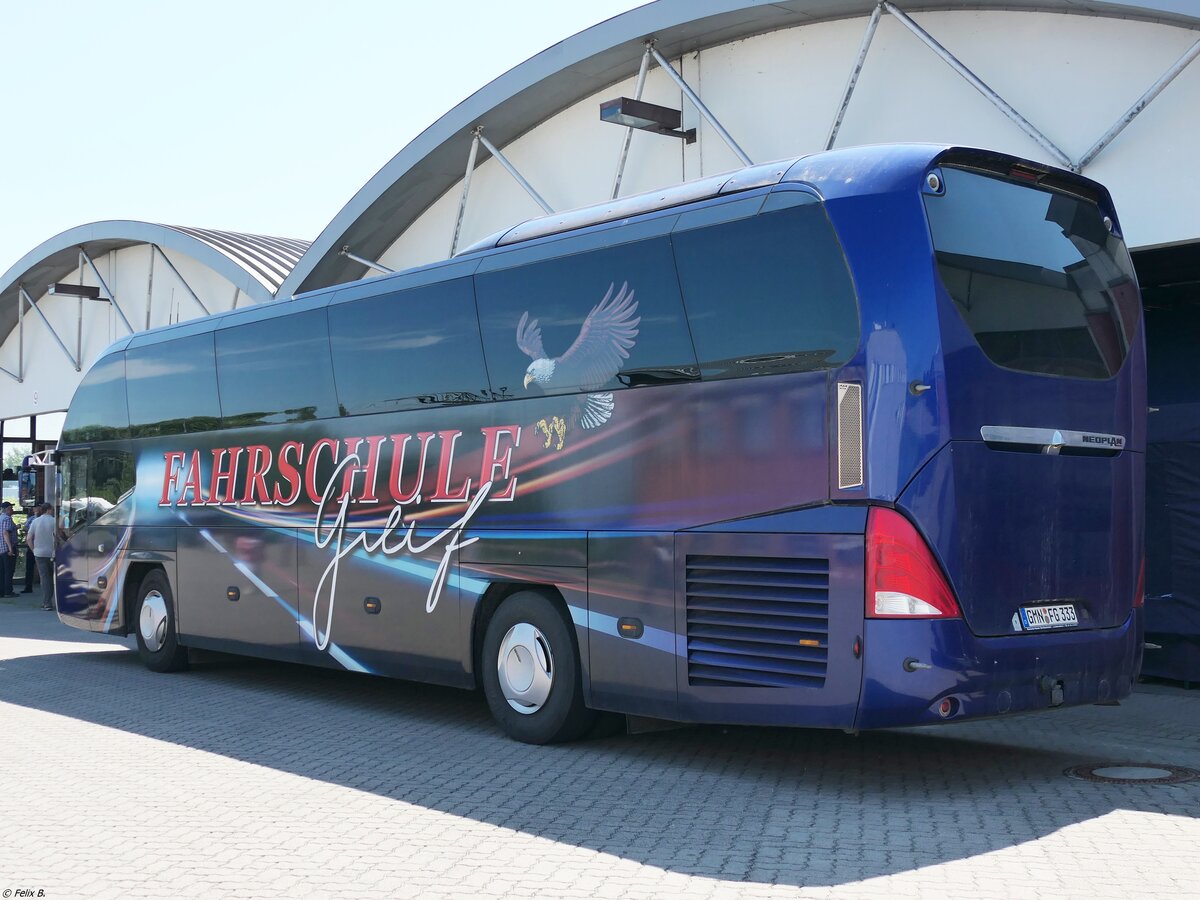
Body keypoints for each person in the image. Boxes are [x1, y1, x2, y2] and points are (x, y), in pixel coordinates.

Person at [25, 503, 56, 611]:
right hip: (53, 553)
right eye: (52, 509)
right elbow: (60, 536)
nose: (53, 511)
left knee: (44, 578)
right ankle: (52, 600)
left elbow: (29, 538)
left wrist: (34, 550)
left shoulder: (35, 521)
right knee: (53, 577)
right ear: (48, 510)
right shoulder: (54, 521)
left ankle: (47, 603)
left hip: (39, 553)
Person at [0, 501, 17, 598]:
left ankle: (1, 591)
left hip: (0, 548)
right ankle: (8, 591)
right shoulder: (7, 518)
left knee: (2, 571)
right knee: (8, 570)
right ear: (7, 509)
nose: (12, 510)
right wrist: (10, 549)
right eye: (11, 508)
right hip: (6, 549)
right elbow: (6, 533)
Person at [21, 504, 39, 593]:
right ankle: (28, 586)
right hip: (32, 544)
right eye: (34, 508)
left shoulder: (46, 518)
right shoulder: (31, 518)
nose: (35, 509)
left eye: (37, 507)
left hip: (40, 544)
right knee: (29, 566)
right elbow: (25, 527)